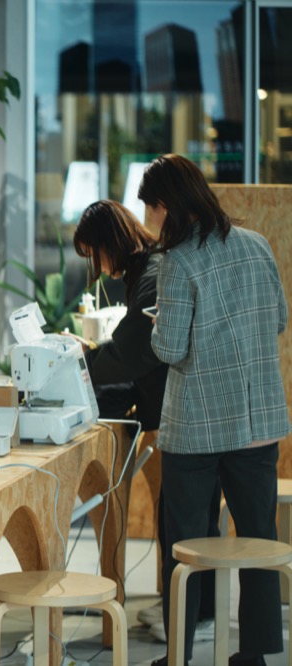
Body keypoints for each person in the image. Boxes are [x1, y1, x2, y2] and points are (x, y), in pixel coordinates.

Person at [140, 154, 290, 666]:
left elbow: (172, 349)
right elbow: (280, 319)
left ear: (165, 205)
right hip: (257, 424)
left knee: (184, 542)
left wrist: (158, 323)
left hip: (196, 431)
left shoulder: (178, 261)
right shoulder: (257, 244)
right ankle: (257, 653)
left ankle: (179, 653)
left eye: (150, 209)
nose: (149, 219)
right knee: (257, 540)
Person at [72, 200, 220, 644]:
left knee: (183, 521)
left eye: (94, 254)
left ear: (108, 243)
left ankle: (195, 617)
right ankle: (186, 610)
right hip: (169, 408)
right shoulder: (148, 271)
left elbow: (134, 350)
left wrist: (82, 361)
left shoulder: (153, 274)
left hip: (180, 413)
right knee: (180, 518)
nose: (96, 267)